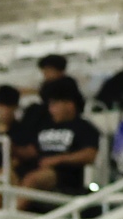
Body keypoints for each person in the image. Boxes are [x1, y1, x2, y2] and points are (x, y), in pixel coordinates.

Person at [19, 78, 99, 207]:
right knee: (2, 178)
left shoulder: (83, 127)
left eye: (54, 104)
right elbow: (32, 150)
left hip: (64, 175)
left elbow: (90, 154)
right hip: (36, 168)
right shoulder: (44, 126)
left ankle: (10, 215)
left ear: (69, 104)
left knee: (31, 179)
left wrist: (58, 159)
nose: (51, 110)